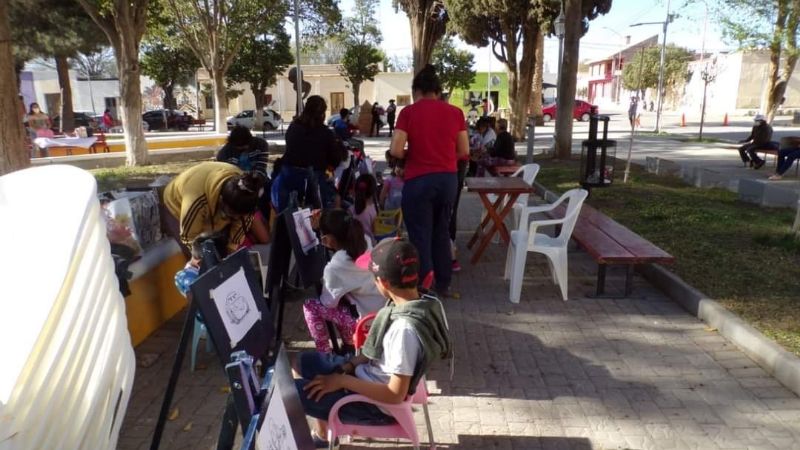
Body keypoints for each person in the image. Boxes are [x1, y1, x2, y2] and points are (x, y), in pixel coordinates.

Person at [294, 238, 452, 448]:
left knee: (290, 395)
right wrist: (347, 367)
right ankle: (323, 433)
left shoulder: (404, 331)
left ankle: (320, 437)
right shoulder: (426, 301)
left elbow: (394, 395)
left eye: (373, 279)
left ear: (384, 283)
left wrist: (342, 381)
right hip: (368, 375)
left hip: (375, 406)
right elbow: (373, 354)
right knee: (303, 362)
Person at [389, 64, 469, 297]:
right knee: (441, 231)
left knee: (420, 234)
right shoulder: (455, 113)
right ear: (437, 90)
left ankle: (424, 284)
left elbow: (395, 149)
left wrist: (413, 155)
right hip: (447, 180)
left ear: (417, 91)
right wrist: (442, 157)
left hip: (418, 181)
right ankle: (444, 283)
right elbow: (463, 150)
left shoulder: (408, 113)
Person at [302, 209, 385, 354]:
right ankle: (349, 344)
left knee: (311, 307)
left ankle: (325, 354)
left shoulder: (335, 266)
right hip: (381, 312)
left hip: (366, 321)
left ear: (328, 239)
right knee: (343, 299)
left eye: (322, 237)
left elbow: (328, 303)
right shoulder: (363, 239)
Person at [162, 161, 261, 256]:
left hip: (212, 204)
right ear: (221, 199)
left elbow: (236, 236)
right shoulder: (196, 199)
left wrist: (231, 252)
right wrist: (201, 261)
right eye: (229, 215)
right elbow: (189, 238)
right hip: (176, 205)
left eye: (237, 217)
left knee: (221, 253)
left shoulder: (247, 193)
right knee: (195, 258)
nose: (232, 220)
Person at [278, 95, 345, 211]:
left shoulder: (293, 127)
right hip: (313, 181)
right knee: (333, 200)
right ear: (323, 113)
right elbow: (335, 159)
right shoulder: (325, 133)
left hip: (289, 177)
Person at [349, 173, 378, 244]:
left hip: (354, 245)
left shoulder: (350, 209)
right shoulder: (373, 210)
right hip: (370, 246)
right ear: (373, 192)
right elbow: (375, 231)